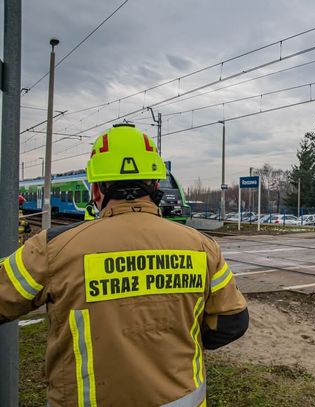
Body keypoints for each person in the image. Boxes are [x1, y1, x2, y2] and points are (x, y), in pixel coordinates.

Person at [0, 124, 249, 406]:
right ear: (155, 185)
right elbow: (232, 322)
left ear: (95, 190)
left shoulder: (53, 248)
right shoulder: (203, 246)